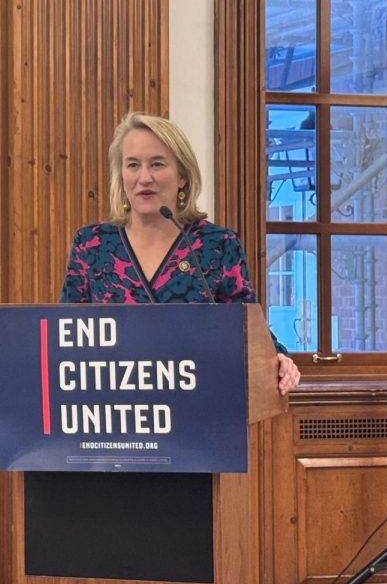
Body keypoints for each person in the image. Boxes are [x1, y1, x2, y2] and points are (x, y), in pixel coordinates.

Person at [61, 111, 300, 395]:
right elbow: (67, 332)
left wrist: (279, 357)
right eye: (133, 165)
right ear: (121, 174)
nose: (144, 177)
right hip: (113, 411)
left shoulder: (216, 243)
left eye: (158, 164)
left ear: (182, 177)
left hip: (196, 407)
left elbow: (247, 327)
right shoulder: (92, 244)